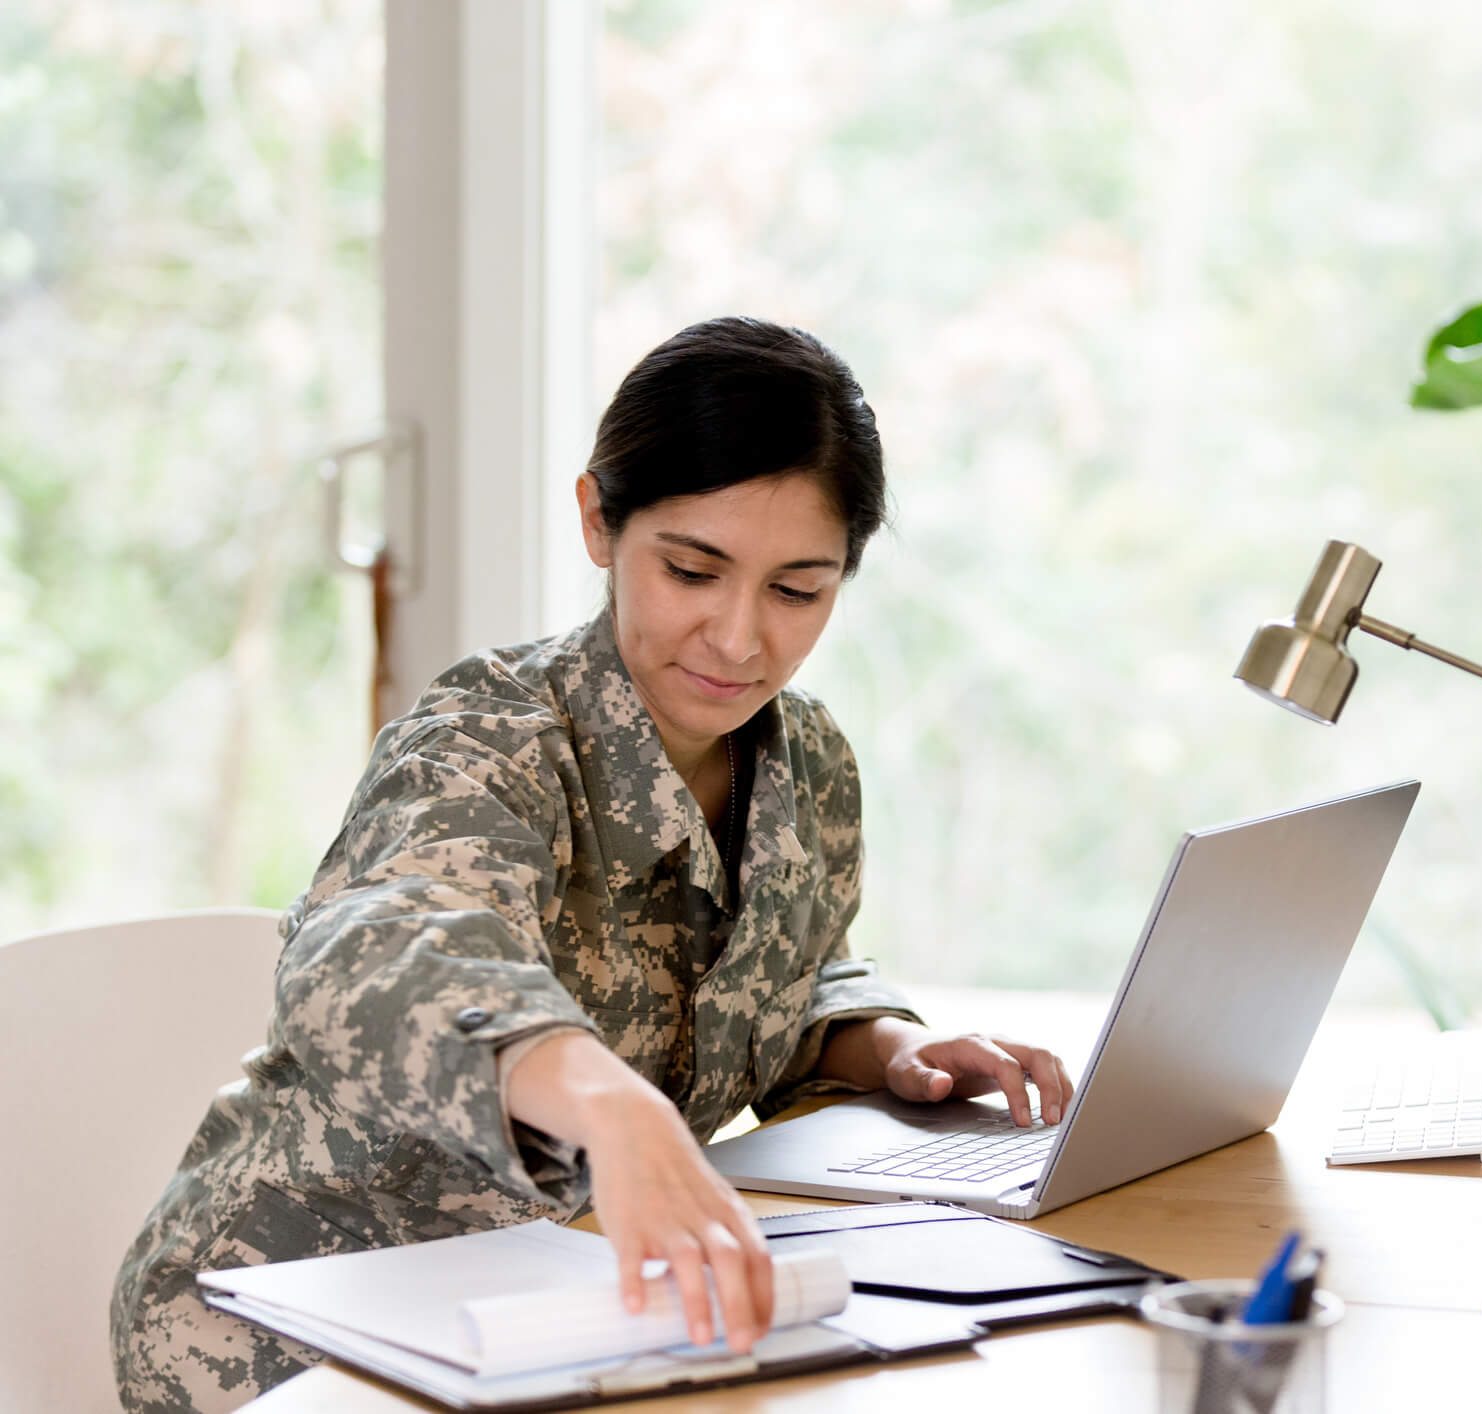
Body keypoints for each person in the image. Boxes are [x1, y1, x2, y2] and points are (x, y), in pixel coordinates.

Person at [110, 317, 1074, 1414]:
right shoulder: (493, 731)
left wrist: (894, 1048)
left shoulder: (807, 763)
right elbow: (380, 943)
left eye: (797, 590)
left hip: (572, 1309)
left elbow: (784, 989)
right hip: (301, 1324)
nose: (737, 637)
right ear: (598, 522)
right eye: (692, 569)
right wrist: (609, 1106)